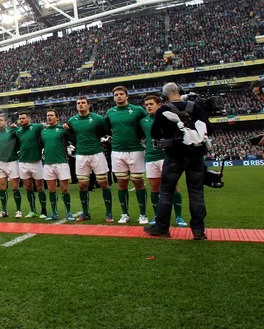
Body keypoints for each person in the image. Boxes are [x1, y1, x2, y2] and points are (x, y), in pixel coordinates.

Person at [144, 83, 212, 240]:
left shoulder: (163, 110)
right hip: (195, 155)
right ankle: (198, 231)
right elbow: (209, 129)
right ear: (179, 91)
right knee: (196, 192)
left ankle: (161, 228)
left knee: (166, 191)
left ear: (164, 95)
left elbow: (154, 132)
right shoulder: (195, 107)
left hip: (174, 155)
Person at [140, 95, 187, 228]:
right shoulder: (143, 121)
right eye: (146, 104)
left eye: (151, 104)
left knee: (174, 187)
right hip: (150, 157)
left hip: (166, 156)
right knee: (155, 188)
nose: (148, 106)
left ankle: (178, 216)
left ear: (159, 105)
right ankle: (157, 216)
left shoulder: (168, 118)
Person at [104, 86, 148, 224]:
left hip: (135, 150)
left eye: (121, 94)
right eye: (116, 94)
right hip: (117, 151)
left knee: (138, 183)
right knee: (122, 184)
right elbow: (107, 129)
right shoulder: (110, 112)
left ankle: (143, 214)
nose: (118, 96)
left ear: (127, 96)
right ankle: (124, 214)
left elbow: (146, 125)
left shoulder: (138, 110)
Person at [65, 97, 113, 222]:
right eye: (78, 103)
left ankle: (109, 213)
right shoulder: (72, 120)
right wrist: (79, 143)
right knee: (82, 185)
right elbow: (70, 135)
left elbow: (106, 132)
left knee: (103, 184)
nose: (80, 105)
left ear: (88, 105)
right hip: (81, 155)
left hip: (97, 153)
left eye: (83, 103)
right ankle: (85, 213)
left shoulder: (98, 118)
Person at [41, 110, 74, 221]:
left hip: (61, 162)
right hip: (48, 163)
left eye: (51, 115)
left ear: (57, 118)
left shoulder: (62, 130)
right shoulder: (43, 131)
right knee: (51, 189)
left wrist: (68, 129)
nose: (49, 117)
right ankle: (54, 213)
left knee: (64, 189)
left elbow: (73, 139)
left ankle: (68, 212)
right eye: (47, 115)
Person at [15, 112, 46, 219]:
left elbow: (46, 127)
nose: (21, 120)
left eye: (23, 118)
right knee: (28, 187)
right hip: (23, 162)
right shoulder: (18, 131)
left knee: (39, 187)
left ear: (29, 118)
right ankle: (32, 210)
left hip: (36, 161)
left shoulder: (36, 127)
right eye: (20, 119)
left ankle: (43, 210)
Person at [0, 115, 22, 218]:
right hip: (0, 162)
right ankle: (4, 210)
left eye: (1, 120)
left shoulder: (12, 131)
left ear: (6, 122)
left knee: (15, 186)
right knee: (1, 187)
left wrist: (16, 127)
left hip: (12, 161)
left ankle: (18, 210)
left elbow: (20, 135)